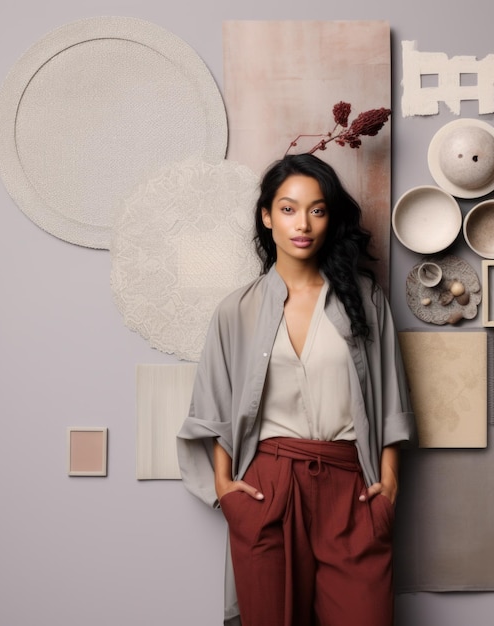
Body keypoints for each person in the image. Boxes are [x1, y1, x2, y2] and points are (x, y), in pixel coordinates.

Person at [177, 153, 416, 626]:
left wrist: (389, 483)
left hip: (353, 490)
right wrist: (226, 489)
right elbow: (214, 408)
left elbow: (393, 400)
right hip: (267, 490)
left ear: (330, 219)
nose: (302, 223)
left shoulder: (364, 300)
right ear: (266, 217)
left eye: (317, 209)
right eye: (287, 209)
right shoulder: (236, 310)